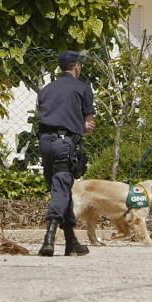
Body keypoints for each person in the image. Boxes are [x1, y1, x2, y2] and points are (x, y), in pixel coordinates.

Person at [36, 51, 96, 257]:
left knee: (60, 190)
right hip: (65, 143)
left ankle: (71, 242)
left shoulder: (46, 89)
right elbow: (88, 123)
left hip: (44, 143)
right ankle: (49, 238)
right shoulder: (82, 88)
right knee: (61, 187)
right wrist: (84, 125)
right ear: (77, 66)